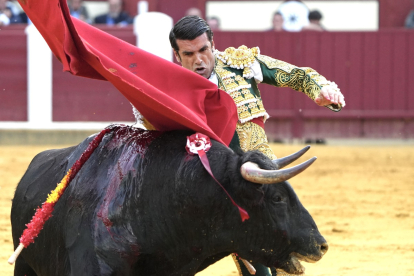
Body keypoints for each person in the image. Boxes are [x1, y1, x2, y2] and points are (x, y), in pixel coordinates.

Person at [136, 15, 343, 276]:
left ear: (213, 44)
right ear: (177, 56)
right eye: (189, 54)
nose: (198, 60)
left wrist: (322, 91)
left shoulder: (241, 65)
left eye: (203, 50)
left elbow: (297, 76)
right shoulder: (169, 90)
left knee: (282, 247)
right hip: (214, 189)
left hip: (263, 175)